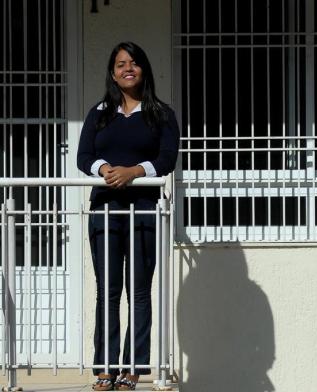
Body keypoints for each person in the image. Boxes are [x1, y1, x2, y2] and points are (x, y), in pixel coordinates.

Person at [77, 41, 179, 391]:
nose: (127, 68)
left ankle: (133, 368)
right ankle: (105, 368)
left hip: (144, 212)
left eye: (133, 62)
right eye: (120, 64)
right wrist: (106, 169)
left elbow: (167, 159)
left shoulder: (160, 113)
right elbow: (84, 156)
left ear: (144, 69)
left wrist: (134, 171)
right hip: (105, 209)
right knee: (108, 292)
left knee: (138, 292)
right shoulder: (99, 112)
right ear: (112, 73)